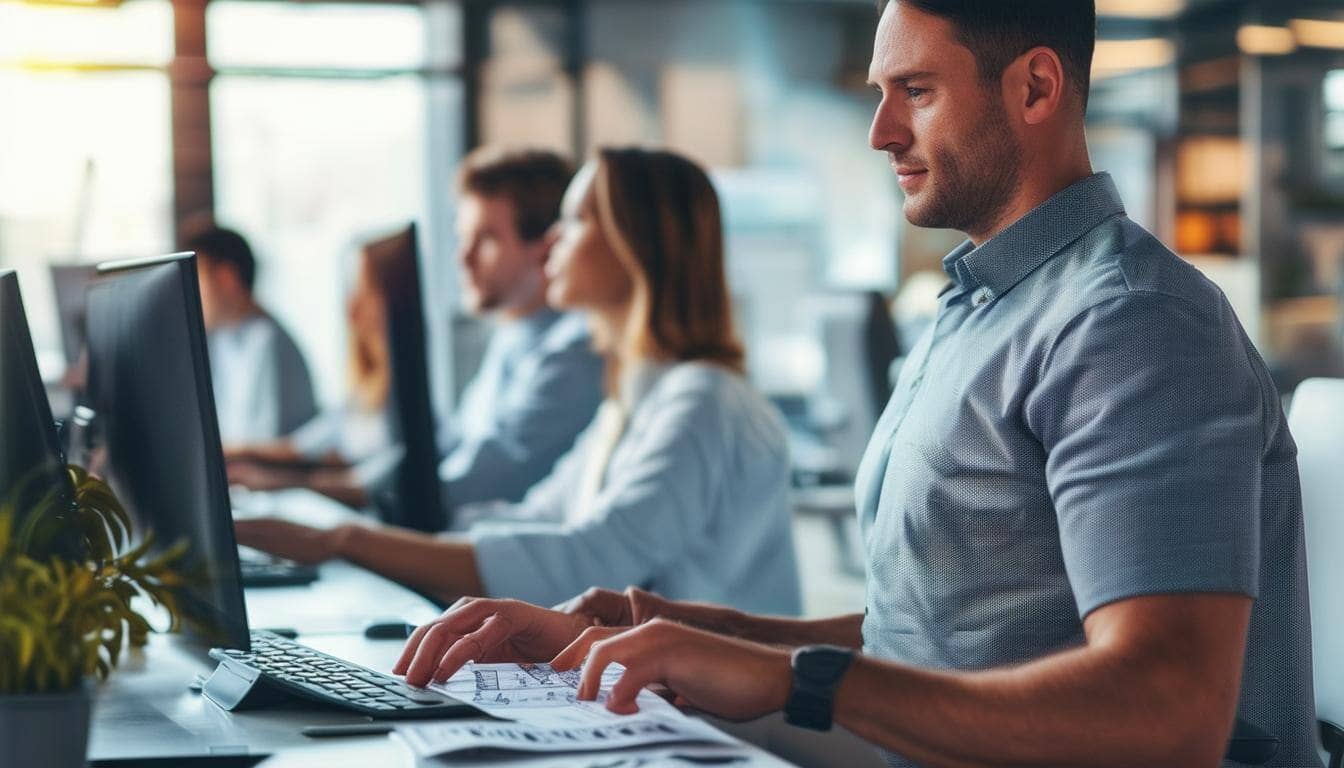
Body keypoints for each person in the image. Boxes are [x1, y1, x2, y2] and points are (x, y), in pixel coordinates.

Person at [392, 3, 1320, 767]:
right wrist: (667, 627)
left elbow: (1169, 717)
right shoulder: (977, 308)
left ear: (1035, 86)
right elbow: (918, 636)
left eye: (914, 91)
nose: (880, 132)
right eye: (881, 94)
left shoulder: (1130, 323)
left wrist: (796, 680)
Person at [234, 148, 803, 617]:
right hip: (653, 692)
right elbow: (532, 518)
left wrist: (343, 543)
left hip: (724, 724)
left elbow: (591, 559)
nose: (552, 241)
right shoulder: (631, 402)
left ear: (639, 244)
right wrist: (360, 539)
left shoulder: (703, 400)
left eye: (578, 219)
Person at [227, 148, 605, 517]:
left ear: (544, 248)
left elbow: (480, 479)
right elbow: (448, 448)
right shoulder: (513, 338)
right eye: (462, 238)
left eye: (487, 238)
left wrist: (326, 493)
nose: (463, 258)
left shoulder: (570, 353)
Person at [183, 222, 318, 446]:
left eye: (196, 278)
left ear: (226, 278)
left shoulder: (267, 342)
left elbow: (265, 446)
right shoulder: (223, 340)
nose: (189, 292)